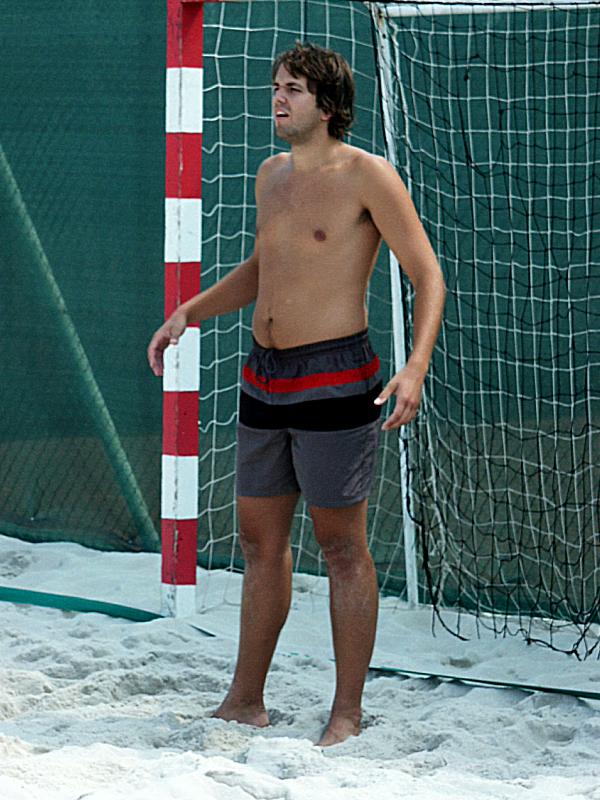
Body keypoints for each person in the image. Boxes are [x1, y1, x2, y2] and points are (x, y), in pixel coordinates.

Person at [148, 42, 446, 747]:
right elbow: (264, 266)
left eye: (294, 89)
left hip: (336, 378)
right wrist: (191, 311)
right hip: (264, 377)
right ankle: (245, 700)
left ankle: (347, 713)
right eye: (276, 86)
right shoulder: (270, 175)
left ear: (329, 104)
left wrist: (415, 367)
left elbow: (427, 274)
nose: (278, 98)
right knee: (259, 542)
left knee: (341, 548)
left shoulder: (368, 174)